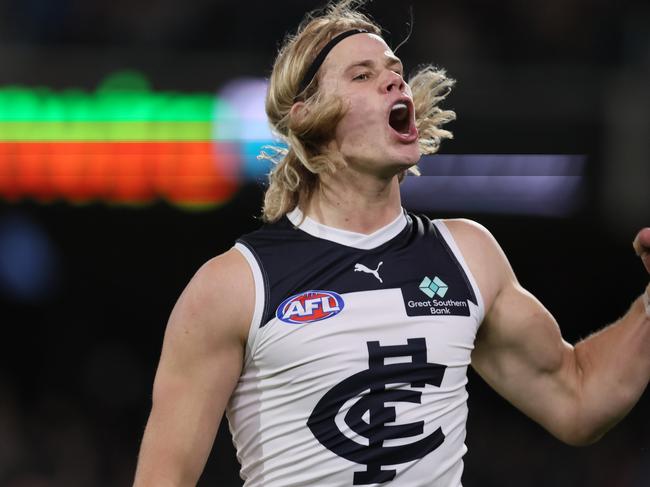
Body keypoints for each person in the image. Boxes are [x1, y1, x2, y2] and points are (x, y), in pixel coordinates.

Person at [132, 1, 650, 485]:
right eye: (362, 75)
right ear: (307, 115)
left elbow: (579, 399)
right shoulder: (235, 285)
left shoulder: (468, 256)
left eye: (394, 72)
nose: (392, 81)